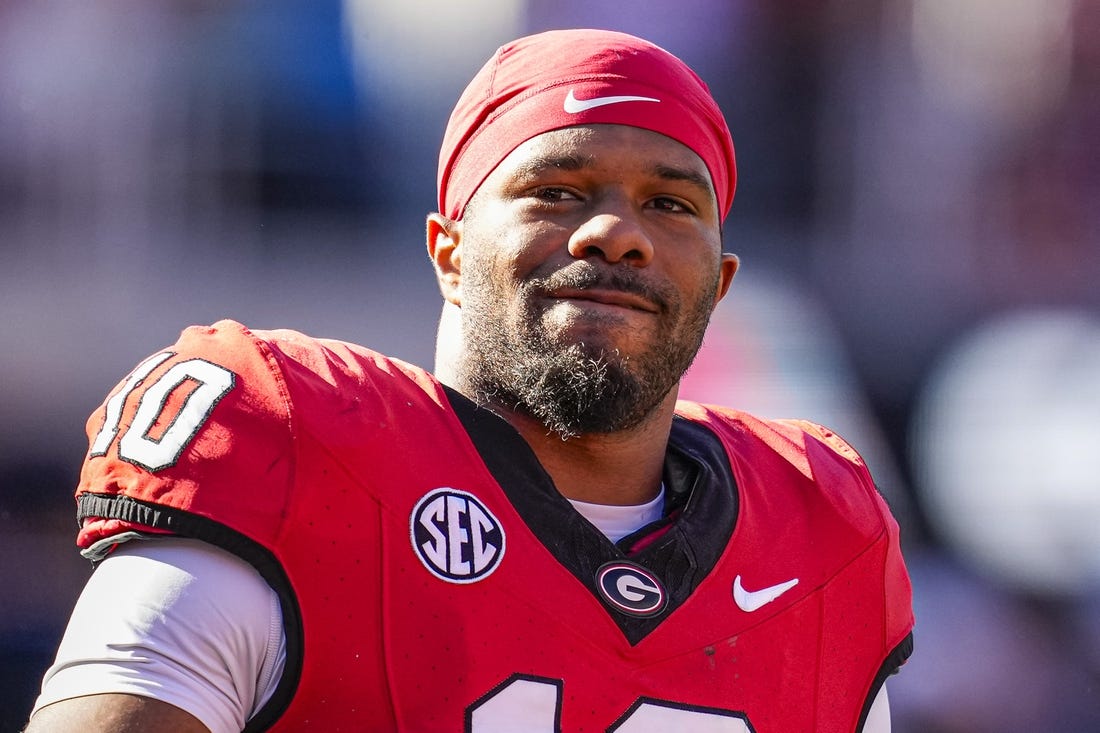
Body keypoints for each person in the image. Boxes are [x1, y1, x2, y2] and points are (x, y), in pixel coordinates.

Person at [25, 28, 913, 733]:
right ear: (448, 253)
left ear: (718, 284)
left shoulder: (820, 532)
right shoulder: (291, 444)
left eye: (670, 202)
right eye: (557, 189)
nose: (615, 231)